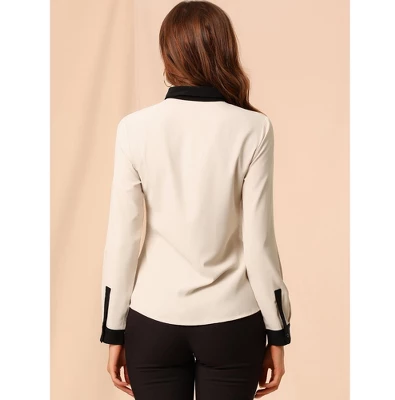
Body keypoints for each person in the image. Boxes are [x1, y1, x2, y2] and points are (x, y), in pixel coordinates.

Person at [99, 1, 292, 399]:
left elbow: (122, 240)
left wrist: (114, 328)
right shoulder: (254, 128)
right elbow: (259, 244)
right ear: (225, 50)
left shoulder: (134, 129)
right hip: (232, 322)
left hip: (153, 321)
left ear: (167, 54)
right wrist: (277, 331)